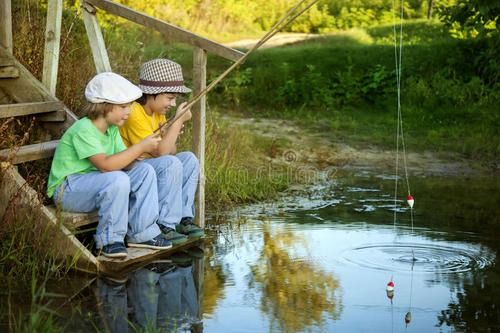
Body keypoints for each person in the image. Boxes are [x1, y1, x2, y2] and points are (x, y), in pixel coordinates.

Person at [47, 72, 172, 258]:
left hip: (96, 183)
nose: (129, 111)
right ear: (104, 106)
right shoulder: (84, 129)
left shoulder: (112, 130)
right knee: (117, 178)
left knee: (145, 170)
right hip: (68, 189)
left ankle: (142, 233)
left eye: (129, 106)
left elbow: (122, 160)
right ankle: (109, 240)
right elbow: (106, 166)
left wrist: (140, 154)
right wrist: (139, 147)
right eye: (123, 107)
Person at [119, 59, 204, 245]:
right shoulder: (134, 112)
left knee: (189, 158)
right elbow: (162, 153)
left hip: (152, 165)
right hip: (133, 170)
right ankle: (164, 225)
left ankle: (183, 219)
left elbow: (170, 150)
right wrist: (178, 121)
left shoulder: (157, 113)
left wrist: (170, 130)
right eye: (170, 97)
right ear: (152, 94)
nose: (173, 104)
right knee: (170, 163)